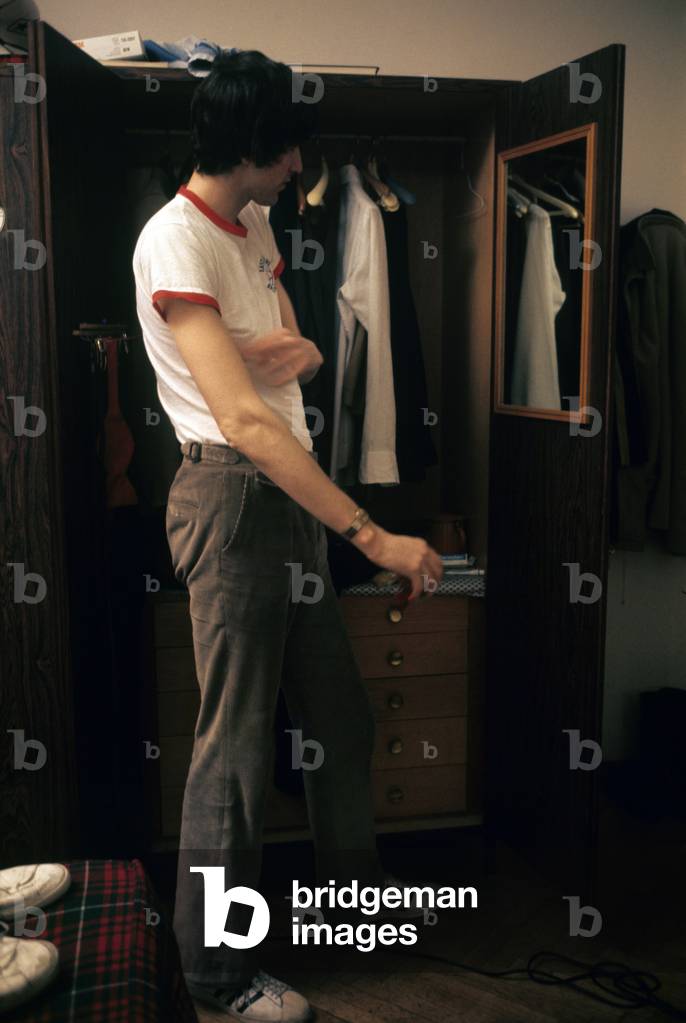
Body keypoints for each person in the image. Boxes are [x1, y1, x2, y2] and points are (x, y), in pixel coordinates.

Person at [132, 49, 443, 1023]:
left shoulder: (257, 220)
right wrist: (374, 536)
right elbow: (250, 420)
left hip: (286, 496)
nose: (301, 164)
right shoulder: (173, 240)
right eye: (290, 150)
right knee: (230, 750)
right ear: (256, 148)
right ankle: (217, 981)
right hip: (230, 499)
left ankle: (350, 908)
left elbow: (289, 349)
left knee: (338, 720)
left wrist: (270, 351)